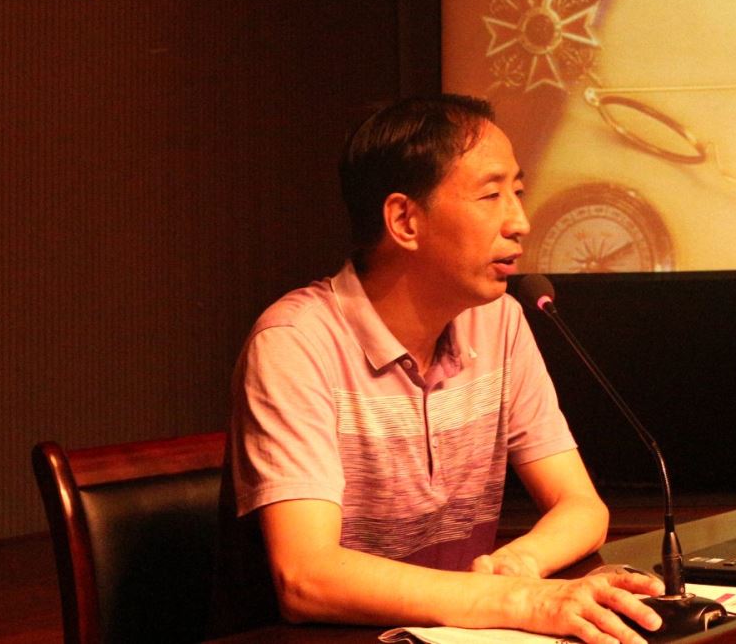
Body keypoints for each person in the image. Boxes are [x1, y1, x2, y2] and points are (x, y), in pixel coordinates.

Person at [223, 95, 664, 643]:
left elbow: (580, 506)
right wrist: (519, 600)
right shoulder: (295, 343)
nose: (520, 222)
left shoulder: (499, 322)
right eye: (492, 195)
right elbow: (306, 577)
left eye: (518, 192)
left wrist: (518, 565)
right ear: (404, 220)